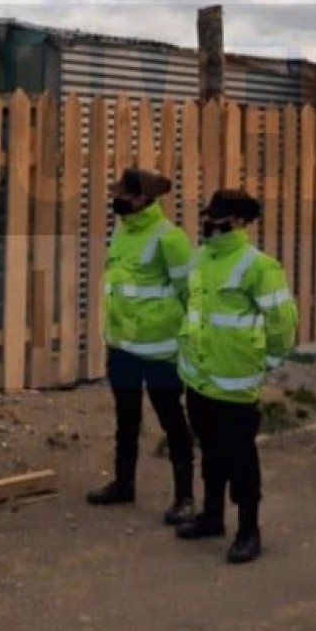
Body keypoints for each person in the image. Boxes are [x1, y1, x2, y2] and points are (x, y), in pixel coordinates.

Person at [173, 189, 298, 565]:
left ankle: (249, 530)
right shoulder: (199, 260)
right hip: (197, 378)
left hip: (235, 382)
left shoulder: (259, 266)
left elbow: (283, 321)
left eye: (221, 217)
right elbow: (191, 308)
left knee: (241, 459)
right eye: (210, 214)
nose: (212, 223)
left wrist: (267, 360)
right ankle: (212, 516)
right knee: (210, 453)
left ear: (242, 222)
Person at [87, 168, 199, 526]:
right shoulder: (122, 231)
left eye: (125, 195)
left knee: (172, 421)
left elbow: (190, 293)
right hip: (122, 347)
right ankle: (124, 484)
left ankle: (185, 497)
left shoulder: (169, 238)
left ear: (143, 199)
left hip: (159, 351)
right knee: (126, 419)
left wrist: (190, 343)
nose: (117, 199)